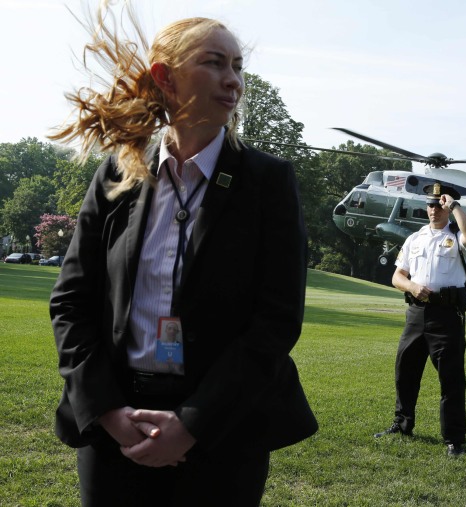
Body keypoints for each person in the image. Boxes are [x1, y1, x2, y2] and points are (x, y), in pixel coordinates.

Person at [49, 5, 317, 506]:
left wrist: (192, 424)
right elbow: (71, 301)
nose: (232, 80)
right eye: (215, 62)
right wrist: (108, 412)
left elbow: (275, 322)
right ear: (165, 78)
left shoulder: (268, 182)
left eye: (238, 66)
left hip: (223, 430)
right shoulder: (118, 173)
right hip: (117, 428)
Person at [374, 182, 466, 456]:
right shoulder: (415, 239)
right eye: (430, 204)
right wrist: (412, 287)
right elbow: (398, 276)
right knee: (405, 372)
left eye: (439, 204)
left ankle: (454, 439)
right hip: (416, 313)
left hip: (447, 316)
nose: (433, 209)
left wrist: (455, 206)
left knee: (451, 379)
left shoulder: (457, 237)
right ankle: (402, 424)